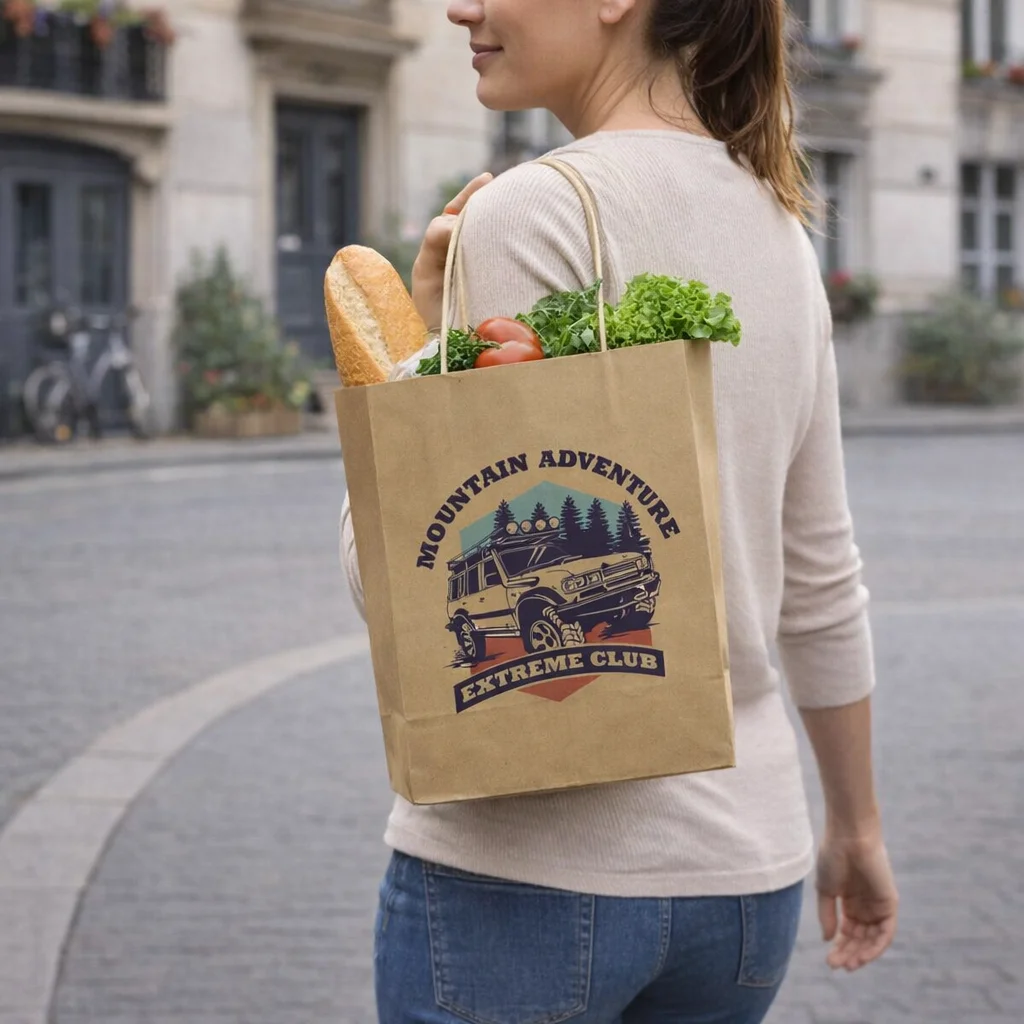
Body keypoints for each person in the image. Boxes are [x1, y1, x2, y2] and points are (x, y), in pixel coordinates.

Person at [339, 0, 899, 1019]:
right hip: (746, 878)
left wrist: (419, 358)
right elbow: (818, 578)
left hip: (530, 877)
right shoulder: (775, 220)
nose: (459, 7)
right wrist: (855, 828)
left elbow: (409, 579)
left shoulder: (532, 212)